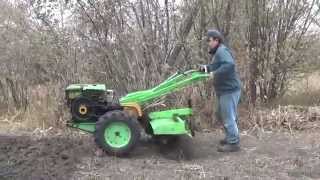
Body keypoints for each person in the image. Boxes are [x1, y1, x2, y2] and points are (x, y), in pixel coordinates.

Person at [199, 29, 242, 152]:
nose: (208, 43)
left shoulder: (222, 51)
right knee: (221, 114)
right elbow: (215, 66)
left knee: (228, 116)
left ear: (216, 40)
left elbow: (229, 65)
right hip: (224, 90)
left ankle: (234, 143)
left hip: (230, 90)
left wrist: (214, 74)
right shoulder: (218, 52)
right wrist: (205, 68)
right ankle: (230, 137)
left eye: (209, 40)